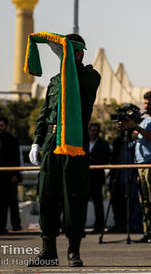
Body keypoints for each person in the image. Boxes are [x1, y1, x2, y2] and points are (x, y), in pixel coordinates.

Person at [28, 33, 101, 267]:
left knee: (73, 197)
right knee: (47, 195)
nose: (59, 57)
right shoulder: (54, 81)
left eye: (63, 52)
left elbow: (81, 83)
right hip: (51, 142)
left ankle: (73, 250)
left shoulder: (88, 76)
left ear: (77, 53)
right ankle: (48, 251)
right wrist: (37, 141)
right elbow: (44, 114)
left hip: (73, 143)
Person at [120, 90, 151, 245]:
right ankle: (149, 230)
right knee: (145, 200)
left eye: (149, 104)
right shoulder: (144, 120)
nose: (146, 106)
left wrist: (136, 127)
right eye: (145, 103)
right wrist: (128, 127)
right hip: (141, 163)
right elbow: (135, 136)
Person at [108, 130, 143, 234]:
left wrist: (136, 175)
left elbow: (137, 155)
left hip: (132, 175)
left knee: (134, 201)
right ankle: (120, 224)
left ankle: (135, 225)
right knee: (119, 201)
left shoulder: (135, 138)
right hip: (119, 176)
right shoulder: (119, 141)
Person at [88, 122, 111, 234]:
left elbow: (106, 159)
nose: (94, 132)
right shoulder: (83, 143)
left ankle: (99, 226)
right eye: (92, 130)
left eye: (96, 130)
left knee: (98, 203)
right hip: (84, 178)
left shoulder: (103, 144)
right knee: (81, 203)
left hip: (97, 178)